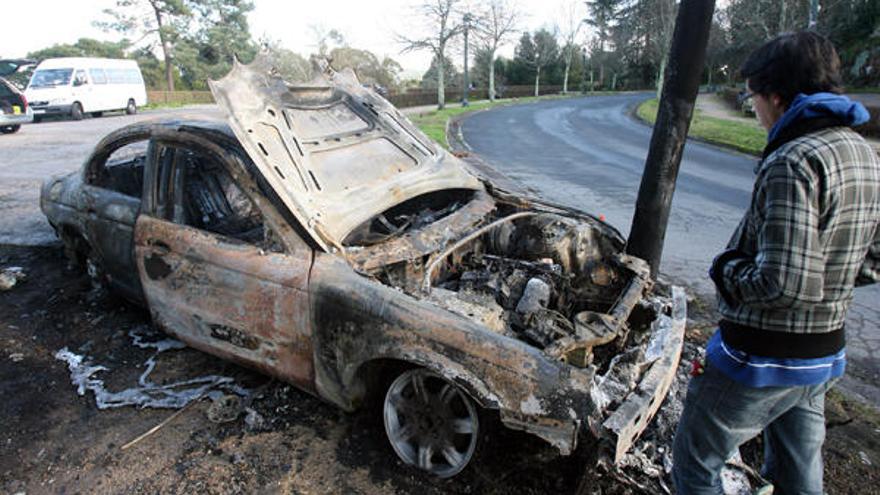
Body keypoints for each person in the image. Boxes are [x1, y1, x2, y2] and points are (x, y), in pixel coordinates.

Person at [672, 31, 880, 494]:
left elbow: (783, 283)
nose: (755, 111)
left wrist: (726, 270)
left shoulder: (793, 160)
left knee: (693, 464)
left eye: (753, 98)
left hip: (761, 357)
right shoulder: (863, 152)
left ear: (777, 96)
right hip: (823, 355)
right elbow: (875, 256)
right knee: (798, 472)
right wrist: (833, 283)